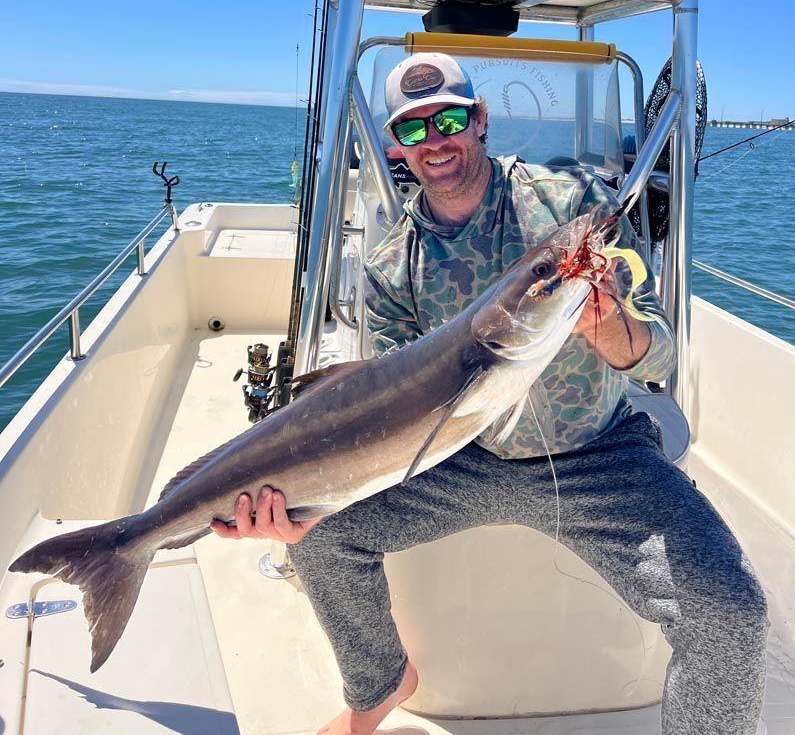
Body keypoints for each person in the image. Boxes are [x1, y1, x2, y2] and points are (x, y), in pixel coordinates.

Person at [212, 53, 768, 735]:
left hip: (597, 450)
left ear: (477, 121)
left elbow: (656, 352)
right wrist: (315, 503)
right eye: (414, 128)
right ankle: (383, 684)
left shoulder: (570, 209)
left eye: (448, 119)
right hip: (462, 457)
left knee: (731, 609)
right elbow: (396, 414)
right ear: (397, 147)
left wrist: (606, 324)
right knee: (319, 536)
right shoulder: (392, 267)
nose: (435, 140)